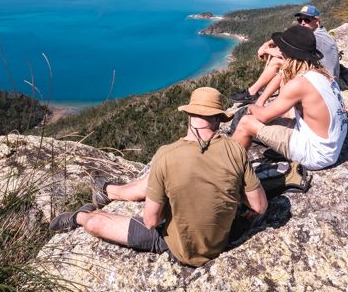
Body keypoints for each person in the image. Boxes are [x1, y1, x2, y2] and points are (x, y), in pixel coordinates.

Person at [49, 87, 268, 267]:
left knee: (96, 223)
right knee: (166, 179)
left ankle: (81, 216)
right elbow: (260, 206)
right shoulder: (235, 150)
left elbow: (151, 221)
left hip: (173, 244)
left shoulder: (167, 154)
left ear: (189, 115)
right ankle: (109, 192)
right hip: (221, 242)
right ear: (219, 119)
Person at [232, 24, 348, 170]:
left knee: (246, 122)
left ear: (287, 54)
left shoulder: (299, 84)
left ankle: (228, 170)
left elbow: (264, 117)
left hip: (316, 154)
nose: (279, 51)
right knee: (284, 113)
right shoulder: (323, 75)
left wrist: (252, 107)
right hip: (330, 144)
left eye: (281, 49)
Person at [230, 5, 339, 106]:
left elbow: (284, 50)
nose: (302, 23)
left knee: (278, 62)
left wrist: (266, 50)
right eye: (300, 20)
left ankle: (252, 93)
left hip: (324, 80)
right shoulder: (318, 33)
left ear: (317, 21)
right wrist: (267, 43)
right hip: (323, 74)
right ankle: (254, 94)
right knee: (284, 63)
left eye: (307, 19)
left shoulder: (316, 38)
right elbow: (287, 38)